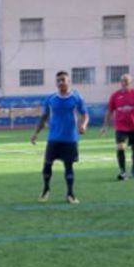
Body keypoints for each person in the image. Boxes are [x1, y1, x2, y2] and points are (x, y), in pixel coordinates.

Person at [30, 71, 88, 204]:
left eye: (63, 80)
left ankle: (70, 194)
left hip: (70, 139)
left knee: (69, 166)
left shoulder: (76, 97)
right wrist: (35, 133)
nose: (61, 82)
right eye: (58, 80)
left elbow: (85, 114)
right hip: (54, 138)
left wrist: (83, 125)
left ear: (69, 81)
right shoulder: (50, 99)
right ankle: (45, 189)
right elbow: (44, 117)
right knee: (47, 165)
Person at [101, 74, 134, 180]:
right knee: (120, 147)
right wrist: (105, 126)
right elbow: (109, 111)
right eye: (122, 80)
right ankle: (123, 171)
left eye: (126, 80)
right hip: (121, 127)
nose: (124, 82)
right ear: (120, 82)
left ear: (130, 82)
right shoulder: (115, 95)